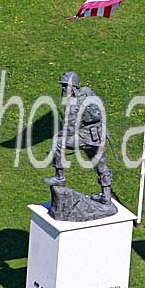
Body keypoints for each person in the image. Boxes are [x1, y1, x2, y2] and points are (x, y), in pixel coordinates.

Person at [43, 71, 112, 204]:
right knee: (101, 166)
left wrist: (60, 134)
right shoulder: (88, 91)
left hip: (86, 137)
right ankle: (106, 196)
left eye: (65, 86)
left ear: (72, 87)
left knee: (58, 142)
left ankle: (60, 176)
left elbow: (70, 127)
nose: (63, 89)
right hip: (99, 135)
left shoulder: (73, 102)